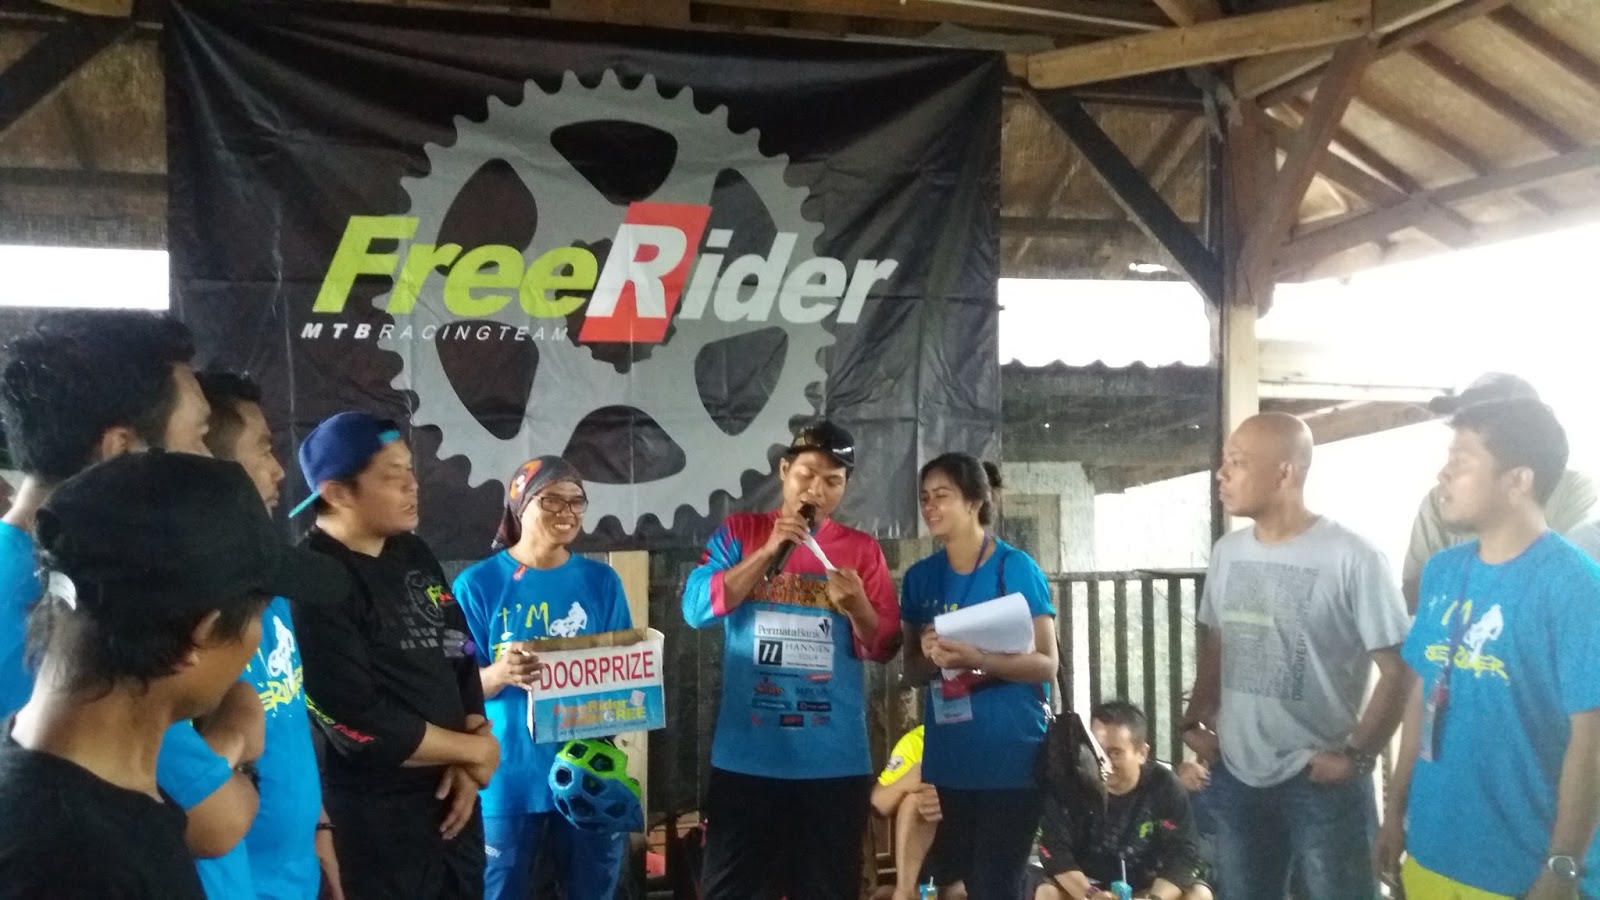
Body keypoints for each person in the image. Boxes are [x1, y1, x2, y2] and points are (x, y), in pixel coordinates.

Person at [0, 451, 346, 898]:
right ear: (199, 636)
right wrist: (237, 743)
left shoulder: (35, 790)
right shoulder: (107, 865)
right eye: (259, 617)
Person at [1179, 412, 1412, 900]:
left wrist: (1357, 756)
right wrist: (1193, 719)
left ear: (1285, 473)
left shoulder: (1354, 556)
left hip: (1319, 777)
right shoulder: (1228, 552)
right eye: (1224, 461)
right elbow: (1219, 642)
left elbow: (1399, 671)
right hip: (1237, 771)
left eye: (1238, 462)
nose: (1222, 473)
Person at [1375, 399, 1600, 900]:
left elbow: (1592, 740)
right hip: (1431, 852)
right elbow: (1420, 698)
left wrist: (1562, 867)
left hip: (1523, 872)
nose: (1443, 474)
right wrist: (1395, 814)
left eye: (1461, 461)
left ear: (1518, 480)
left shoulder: (1577, 586)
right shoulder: (1442, 572)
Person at [682, 419, 900, 900]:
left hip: (833, 766)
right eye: (807, 475)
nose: (817, 490)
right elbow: (695, 609)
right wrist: (768, 551)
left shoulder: (862, 550)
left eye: (833, 481)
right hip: (747, 761)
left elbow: (886, 646)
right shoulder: (740, 532)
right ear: (784, 471)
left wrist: (859, 606)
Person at [290, 412, 498, 900]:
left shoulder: (413, 552)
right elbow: (354, 717)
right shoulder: (312, 579)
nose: (412, 485)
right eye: (391, 474)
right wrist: (474, 751)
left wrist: (471, 753)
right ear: (337, 492)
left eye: (410, 469)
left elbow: (460, 647)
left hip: (455, 803)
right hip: (379, 827)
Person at [0, 309, 210, 716]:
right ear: (121, 451)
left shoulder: (90, 577)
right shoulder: (40, 608)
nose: (209, 460)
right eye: (199, 437)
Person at [453, 456, 634, 900]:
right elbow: (452, 690)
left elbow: (625, 674)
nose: (566, 512)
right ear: (520, 505)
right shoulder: (477, 585)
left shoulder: (602, 581)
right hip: (508, 777)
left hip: (588, 769)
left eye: (576, 502)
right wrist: (499, 673)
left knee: (593, 891)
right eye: (551, 500)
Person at [193, 371, 344, 899]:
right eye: (262, 448)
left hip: (299, 870)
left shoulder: (269, 583)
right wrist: (235, 734)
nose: (279, 470)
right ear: (207, 461)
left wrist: (318, 829)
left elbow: (288, 720)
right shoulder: (179, 610)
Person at [900, 453, 1057, 900]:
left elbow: (1046, 663)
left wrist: (978, 658)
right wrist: (932, 655)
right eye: (924, 498)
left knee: (995, 886)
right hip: (950, 760)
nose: (930, 506)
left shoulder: (1014, 567)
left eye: (942, 496)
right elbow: (912, 671)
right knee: (957, 885)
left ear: (974, 502)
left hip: (1012, 759)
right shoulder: (920, 578)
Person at [1401, 373, 1597, 611]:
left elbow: (1567, 582)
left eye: (1487, 417)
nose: (1466, 426)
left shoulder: (1575, 489)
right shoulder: (1439, 500)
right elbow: (1414, 591)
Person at [1034, 701, 1210, 900]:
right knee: (1047, 893)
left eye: (1115, 753)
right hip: (1088, 885)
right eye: (1097, 752)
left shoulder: (1165, 786)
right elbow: (1053, 850)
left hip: (1149, 886)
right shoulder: (1070, 784)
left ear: (1142, 753)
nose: (1104, 763)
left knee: (1199, 895)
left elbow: (1185, 855)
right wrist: (1091, 894)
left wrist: (1153, 898)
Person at [872, 723, 967, 900]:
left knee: (958, 893)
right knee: (916, 801)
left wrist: (952, 801)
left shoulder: (991, 741)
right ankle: (905, 893)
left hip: (972, 854)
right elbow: (879, 803)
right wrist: (905, 782)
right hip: (927, 866)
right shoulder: (919, 740)